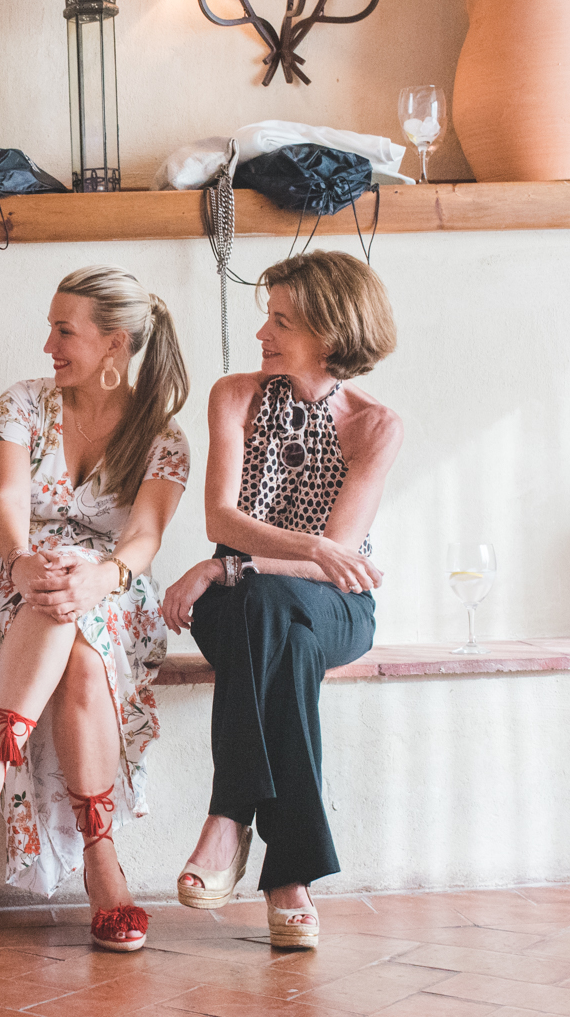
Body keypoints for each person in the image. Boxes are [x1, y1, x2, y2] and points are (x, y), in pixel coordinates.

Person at [0, 266, 189, 954]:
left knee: (80, 626)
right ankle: (103, 864)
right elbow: (8, 499)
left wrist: (102, 575)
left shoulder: (163, 438)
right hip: (8, 584)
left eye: (64, 331)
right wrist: (20, 559)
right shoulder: (22, 404)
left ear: (114, 343)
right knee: (60, 595)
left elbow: (145, 537)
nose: (48, 345)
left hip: (113, 595)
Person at [160, 250, 402, 951]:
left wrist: (225, 567)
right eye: (268, 315)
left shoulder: (376, 425)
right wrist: (262, 558)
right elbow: (221, 518)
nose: (262, 332)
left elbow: (336, 560)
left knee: (274, 604)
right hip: (243, 607)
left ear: (331, 332)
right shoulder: (234, 396)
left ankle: (229, 815)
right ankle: (289, 878)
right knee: (280, 635)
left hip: (334, 605)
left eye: (282, 321)